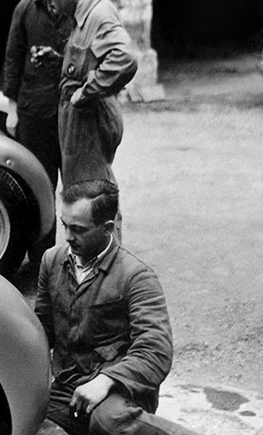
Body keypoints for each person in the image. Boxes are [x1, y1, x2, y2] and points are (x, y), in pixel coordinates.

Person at [35, 180, 200, 435]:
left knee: (108, 420)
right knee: (22, 417)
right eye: (65, 225)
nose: (68, 236)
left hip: (119, 389)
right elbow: (40, 331)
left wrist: (106, 381)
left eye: (78, 229)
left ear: (107, 228)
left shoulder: (136, 276)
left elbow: (156, 351)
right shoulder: (52, 261)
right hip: (67, 388)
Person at [34, 0, 137, 190]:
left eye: (51, 1)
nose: (52, 8)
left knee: (91, 197)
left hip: (89, 124)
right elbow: (90, 60)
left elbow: (125, 58)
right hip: (81, 123)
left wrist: (87, 91)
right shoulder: (83, 14)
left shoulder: (98, 14)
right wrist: (59, 60)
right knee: (83, 193)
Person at [1, 0, 74, 268]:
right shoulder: (26, 7)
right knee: (39, 187)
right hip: (34, 110)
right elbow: (14, 56)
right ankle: (44, 263)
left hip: (72, 112)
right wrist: (13, 109)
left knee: (76, 187)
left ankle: (78, 256)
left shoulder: (79, 7)